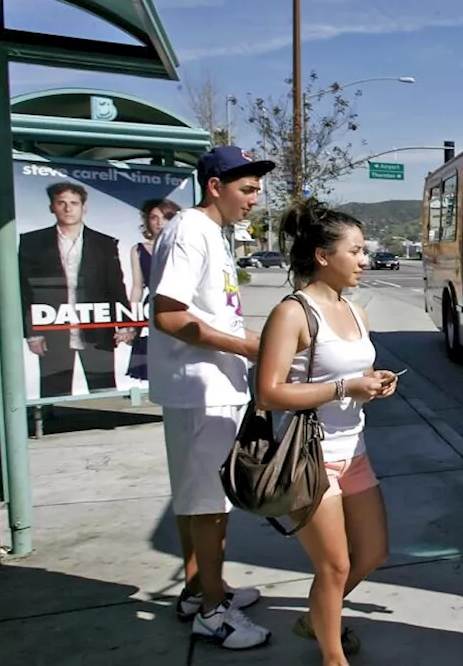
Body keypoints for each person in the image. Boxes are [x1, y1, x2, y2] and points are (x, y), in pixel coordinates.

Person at [255, 198, 396, 666]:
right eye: (354, 251)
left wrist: (373, 385)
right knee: (333, 566)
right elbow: (269, 394)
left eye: (364, 250)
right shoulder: (292, 313)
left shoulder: (357, 311)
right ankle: (332, 656)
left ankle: (319, 615)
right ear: (322, 255)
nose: (364, 260)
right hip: (309, 457)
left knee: (372, 552)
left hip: (354, 449)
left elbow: (360, 372)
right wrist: (344, 386)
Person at [147, 145, 274, 650]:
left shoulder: (212, 232)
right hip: (200, 388)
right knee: (209, 503)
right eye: (246, 190)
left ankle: (202, 587)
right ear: (214, 186)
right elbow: (170, 315)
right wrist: (247, 345)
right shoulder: (190, 232)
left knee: (195, 497)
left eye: (257, 191)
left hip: (206, 385)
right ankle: (213, 613)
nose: (254, 200)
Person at [19, 181, 134, 398]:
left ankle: (106, 423)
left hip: (97, 325)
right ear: (52, 207)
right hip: (52, 325)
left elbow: (115, 287)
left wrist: (126, 324)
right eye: (61, 203)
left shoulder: (104, 243)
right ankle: (52, 428)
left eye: (74, 203)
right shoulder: (32, 242)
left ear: (84, 207)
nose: (68, 208)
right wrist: (32, 333)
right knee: (54, 389)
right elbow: (25, 291)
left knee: (103, 386)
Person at [126, 198, 180, 382]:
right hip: (152, 308)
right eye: (154, 217)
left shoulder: (180, 247)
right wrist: (131, 321)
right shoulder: (138, 250)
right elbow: (137, 287)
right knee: (152, 366)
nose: (159, 223)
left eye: (165, 217)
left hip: (179, 306)